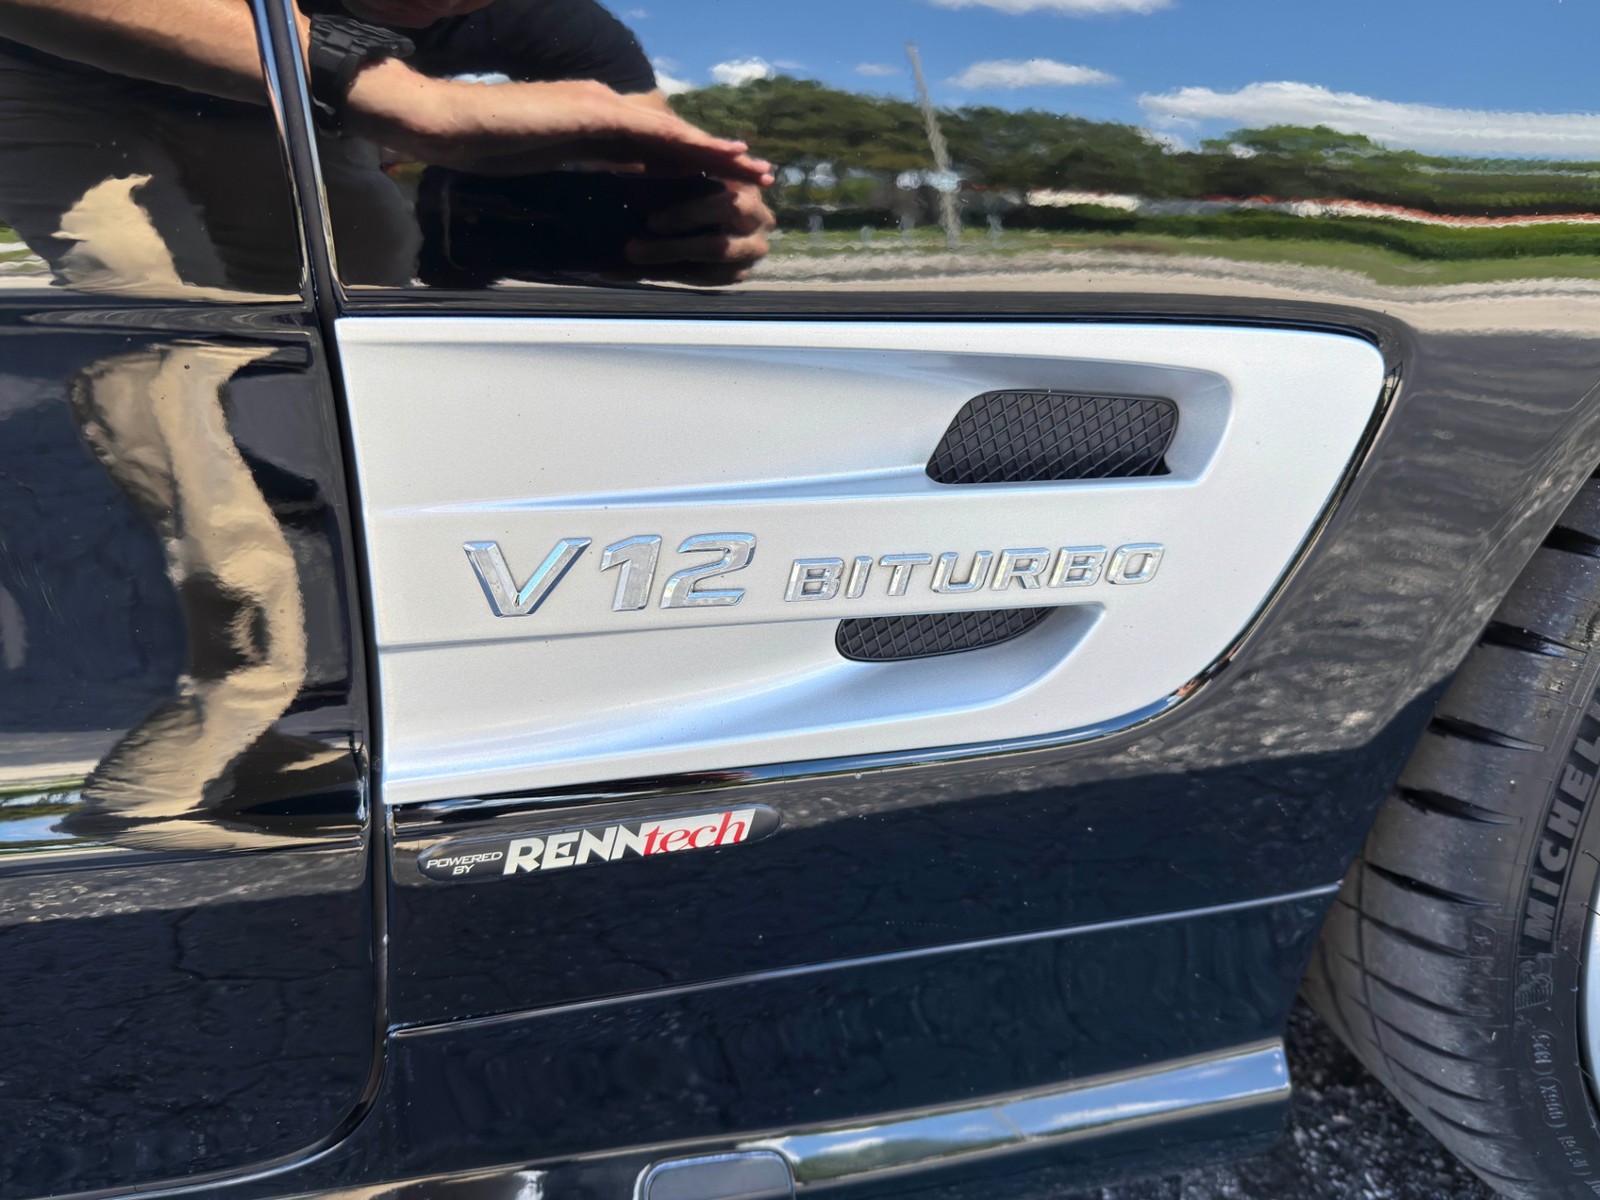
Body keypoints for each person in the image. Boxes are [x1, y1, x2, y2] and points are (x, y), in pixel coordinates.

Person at [0, 0, 776, 290]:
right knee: (143, 279)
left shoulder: (563, 26)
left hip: (282, 105)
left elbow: (657, 154)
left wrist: (710, 221)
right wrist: (406, 98)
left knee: (369, 259)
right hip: (55, 72)